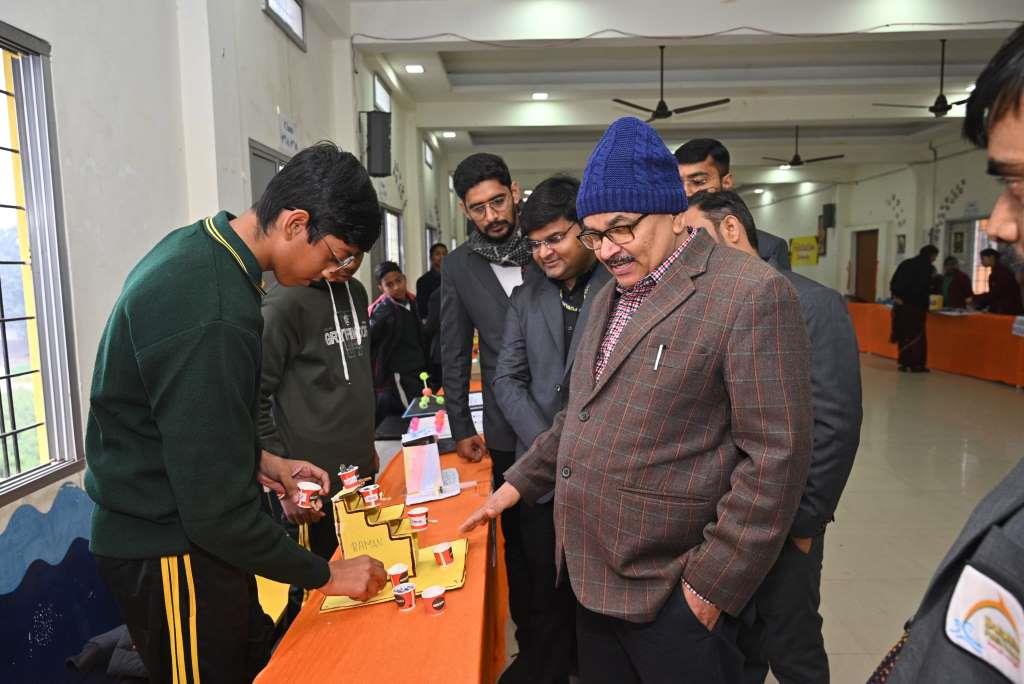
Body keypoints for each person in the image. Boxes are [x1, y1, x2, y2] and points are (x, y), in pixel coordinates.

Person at [462, 117, 813, 684]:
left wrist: (708, 589)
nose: (607, 250)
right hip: (593, 579)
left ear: (673, 212)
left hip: (673, 592)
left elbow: (777, 458)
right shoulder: (609, 297)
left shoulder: (748, 293)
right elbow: (581, 414)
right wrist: (517, 484)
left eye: (622, 228)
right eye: (594, 235)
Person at [85, 142, 388, 682]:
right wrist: (327, 575)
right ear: (296, 223)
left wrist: (263, 461)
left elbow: (189, 421)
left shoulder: (210, 252)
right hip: (169, 547)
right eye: (335, 255)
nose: (334, 271)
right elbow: (214, 511)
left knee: (251, 662)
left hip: (197, 539)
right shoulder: (215, 308)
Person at [878, 23, 1024, 684]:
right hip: (910, 311)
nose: (1000, 223)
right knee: (912, 345)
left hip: (909, 311)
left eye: (1019, 187)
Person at [685, 190, 863, 684]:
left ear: (731, 229)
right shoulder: (704, 304)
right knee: (735, 649)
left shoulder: (812, 303)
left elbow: (835, 424)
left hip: (788, 523)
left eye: (695, 239)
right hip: (726, 519)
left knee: (792, 646)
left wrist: (804, 525)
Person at [492, 175, 611, 683]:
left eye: (555, 238)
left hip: (602, 474)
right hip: (539, 478)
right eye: (535, 243)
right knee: (545, 588)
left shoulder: (620, 288)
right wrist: (548, 446)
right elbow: (507, 378)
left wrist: (575, 446)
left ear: (585, 231)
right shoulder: (527, 297)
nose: (544, 253)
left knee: (597, 596)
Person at [441, 151, 543, 668]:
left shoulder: (546, 246)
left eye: (498, 201)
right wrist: (461, 423)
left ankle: (574, 648)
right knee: (519, 544)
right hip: (504, 426)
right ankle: (534, 648)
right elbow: (455, 349)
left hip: (562, 413)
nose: (492, 215)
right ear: (465, 210)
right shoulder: (459, 266)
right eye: (478, 208)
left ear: (515, 191)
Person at [258, 228, 378, 627]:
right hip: (311, 485)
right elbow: (254, 399)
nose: (344, 267)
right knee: (315, 600)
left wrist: (367, 446)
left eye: (355, 257)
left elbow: (354, 379)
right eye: (338, 255)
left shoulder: (355, 291)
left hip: (359, 472)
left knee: (362, 584)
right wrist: (285, 483)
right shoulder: (282, 304)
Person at [674, 137, 791, 269]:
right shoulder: (667, 241)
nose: (685, 192)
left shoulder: (770, 247)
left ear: (726, 182)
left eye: (698, 182)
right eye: (677, 183)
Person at [369, 260, 427, 424]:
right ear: (381, 288)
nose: (396, 287)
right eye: (389, 285)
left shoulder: (413, 301)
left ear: (404, 279)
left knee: (422, 408)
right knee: (412, 414)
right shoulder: (382, 311)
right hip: (398, 373)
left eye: (398, 281)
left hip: (418, 369)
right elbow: (370, 341)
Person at [889, 244, 939, 373]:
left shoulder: (906, 264)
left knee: (904, 334)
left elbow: (894, 283)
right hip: (917, 307)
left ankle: (904, 363)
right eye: (934, 257)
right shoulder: (927, 268)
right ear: (931, 255)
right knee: (917, 336)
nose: (934, 260)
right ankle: (917, 364)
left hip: (902, 306)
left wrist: (897, 296)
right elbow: (928, 288)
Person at [417, 242, 448, 388]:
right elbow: (423, 310)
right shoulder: (424, 281)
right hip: (435, 333)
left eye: (444, 254)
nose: (441, 257)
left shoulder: (452, 277)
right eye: (437, 254)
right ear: (431, 257)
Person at [974, 247, 1024, 314]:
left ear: (991, 257)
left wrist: (978, 301)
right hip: (1004, 308)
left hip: (1007, 310)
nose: (981, 262)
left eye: (983, 258)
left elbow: (996, 293)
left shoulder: (1001, 273)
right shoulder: (997, 272)